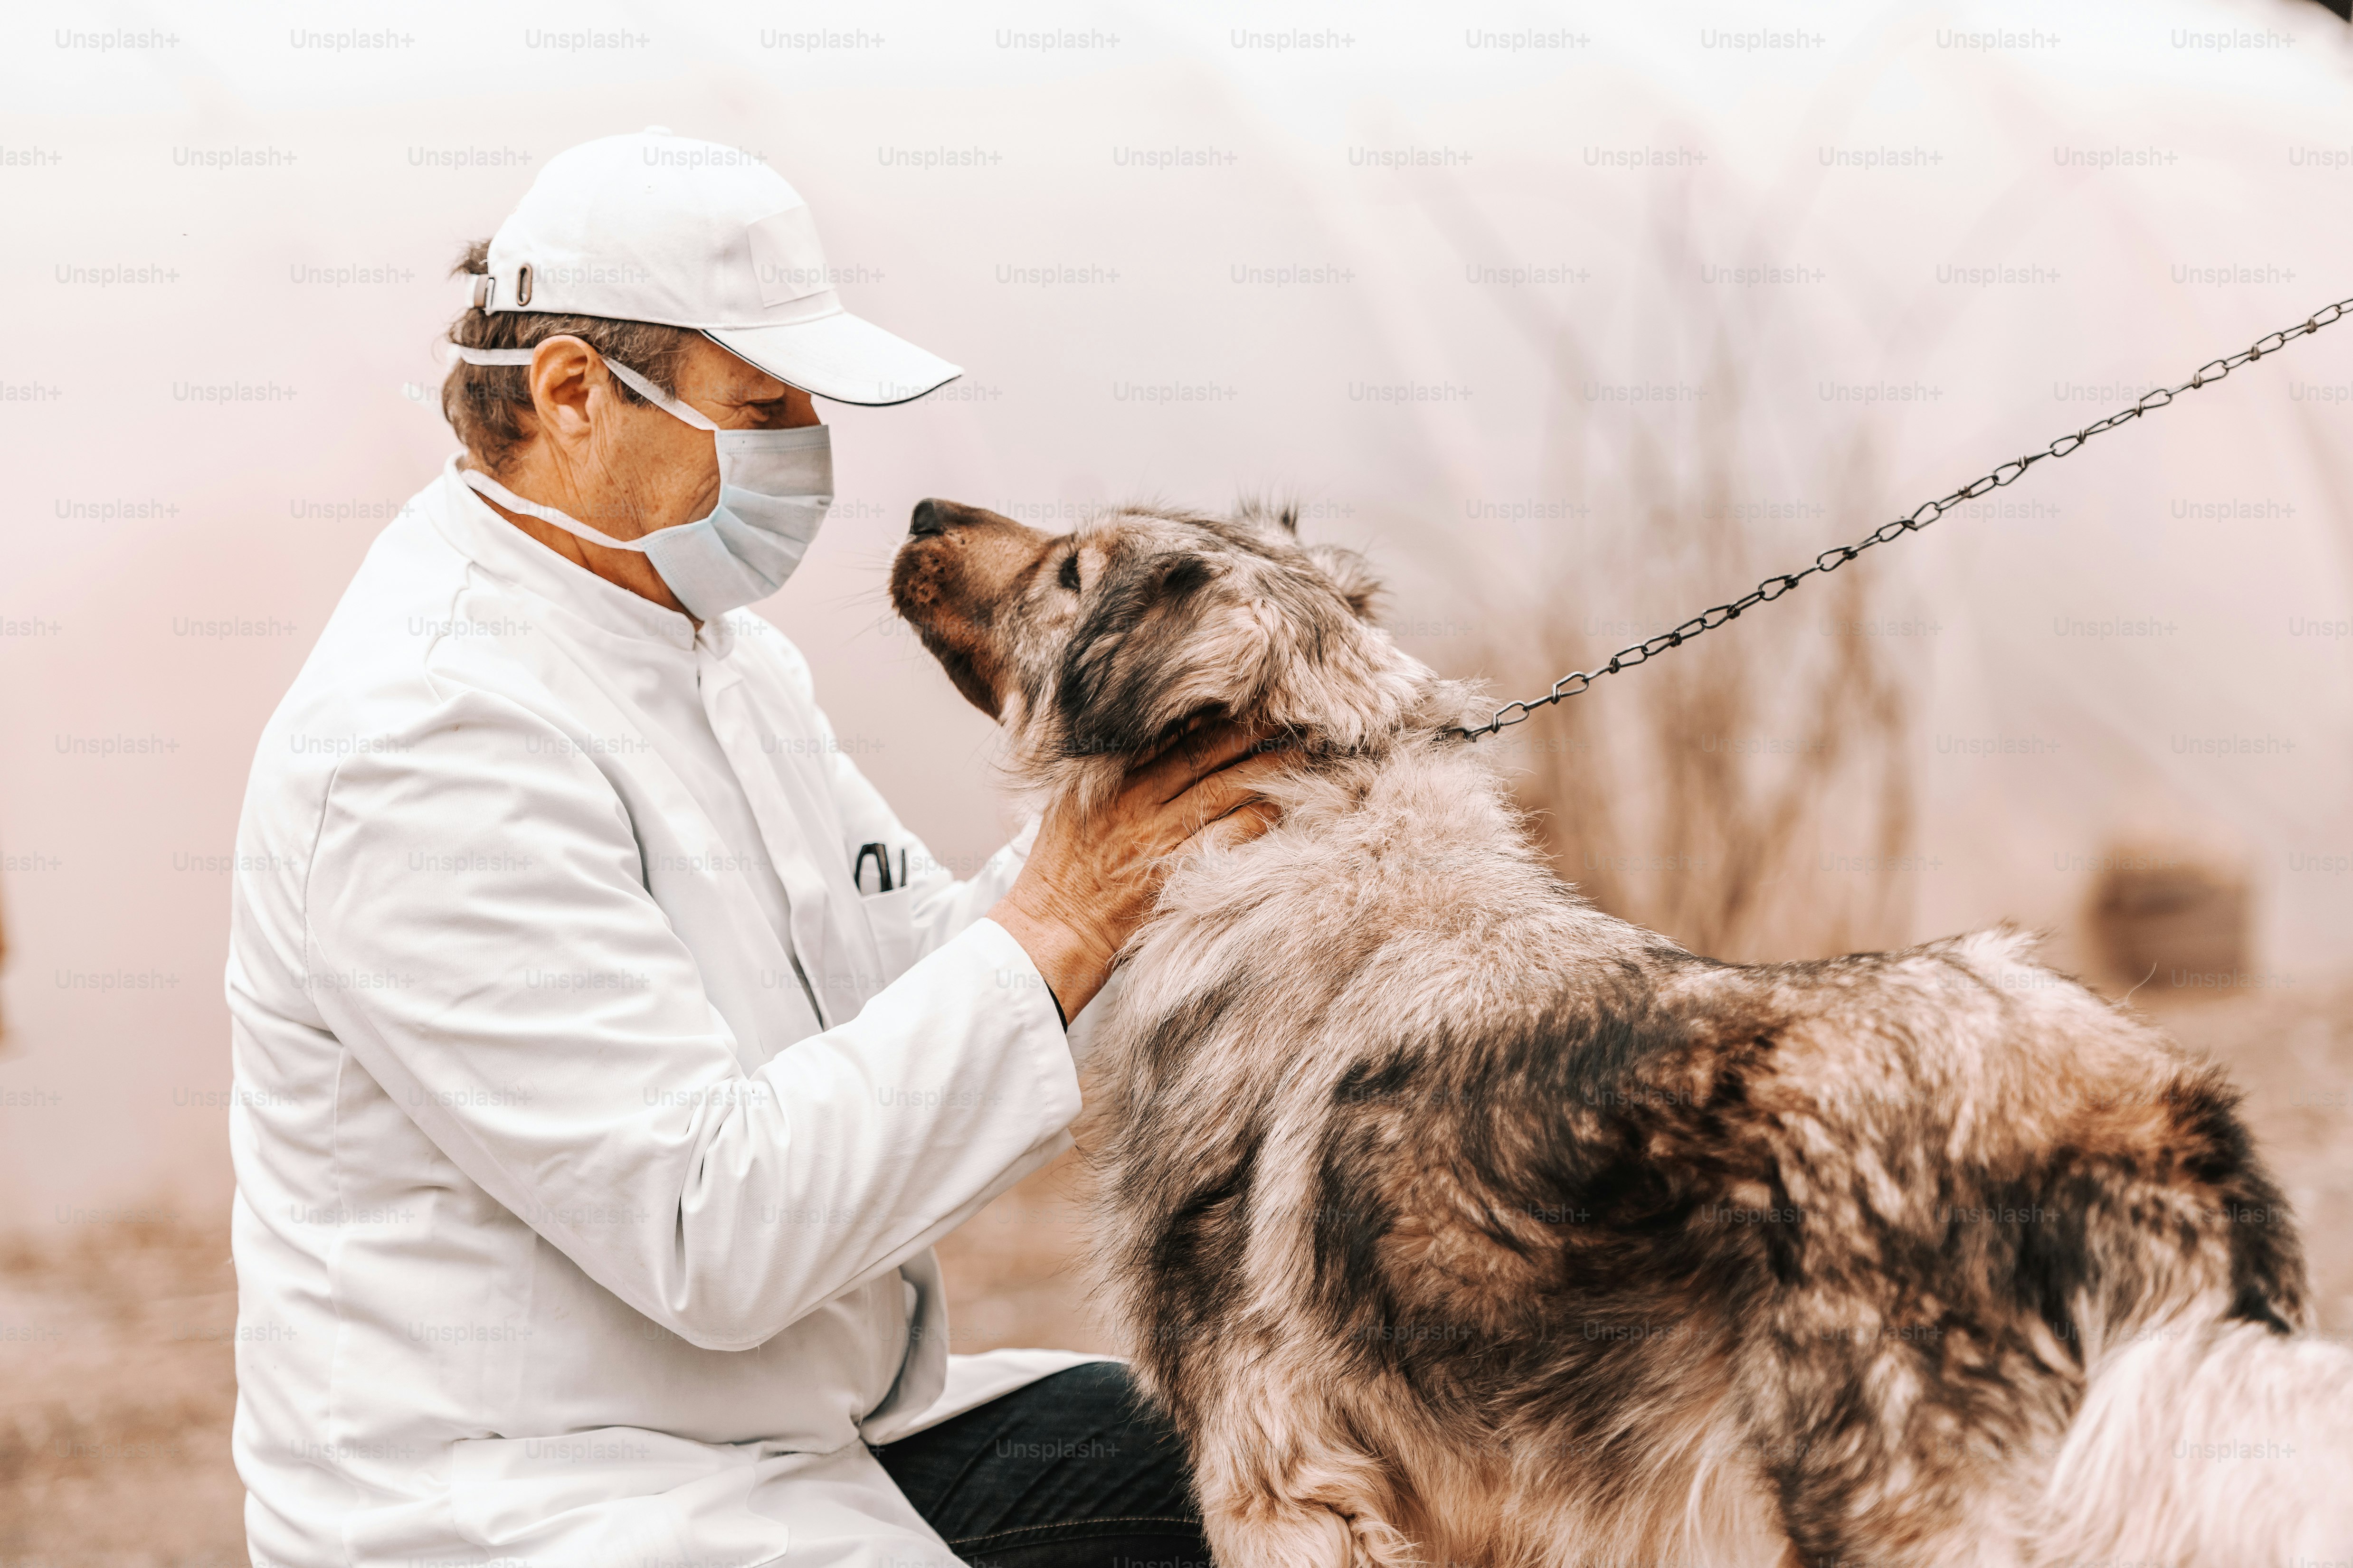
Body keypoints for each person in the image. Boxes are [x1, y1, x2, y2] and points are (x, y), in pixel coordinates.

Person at [225, 128, 1272, 1568]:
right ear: (575, 393)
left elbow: (925, 971)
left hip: (779, 1432)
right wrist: (1069, 912)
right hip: (542, 1497)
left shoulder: (713, 657)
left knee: (1217, 1456)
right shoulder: (428, 738)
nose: (807, 452)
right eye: (761, 403)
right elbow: (708, 1233)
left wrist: (1185, 833)